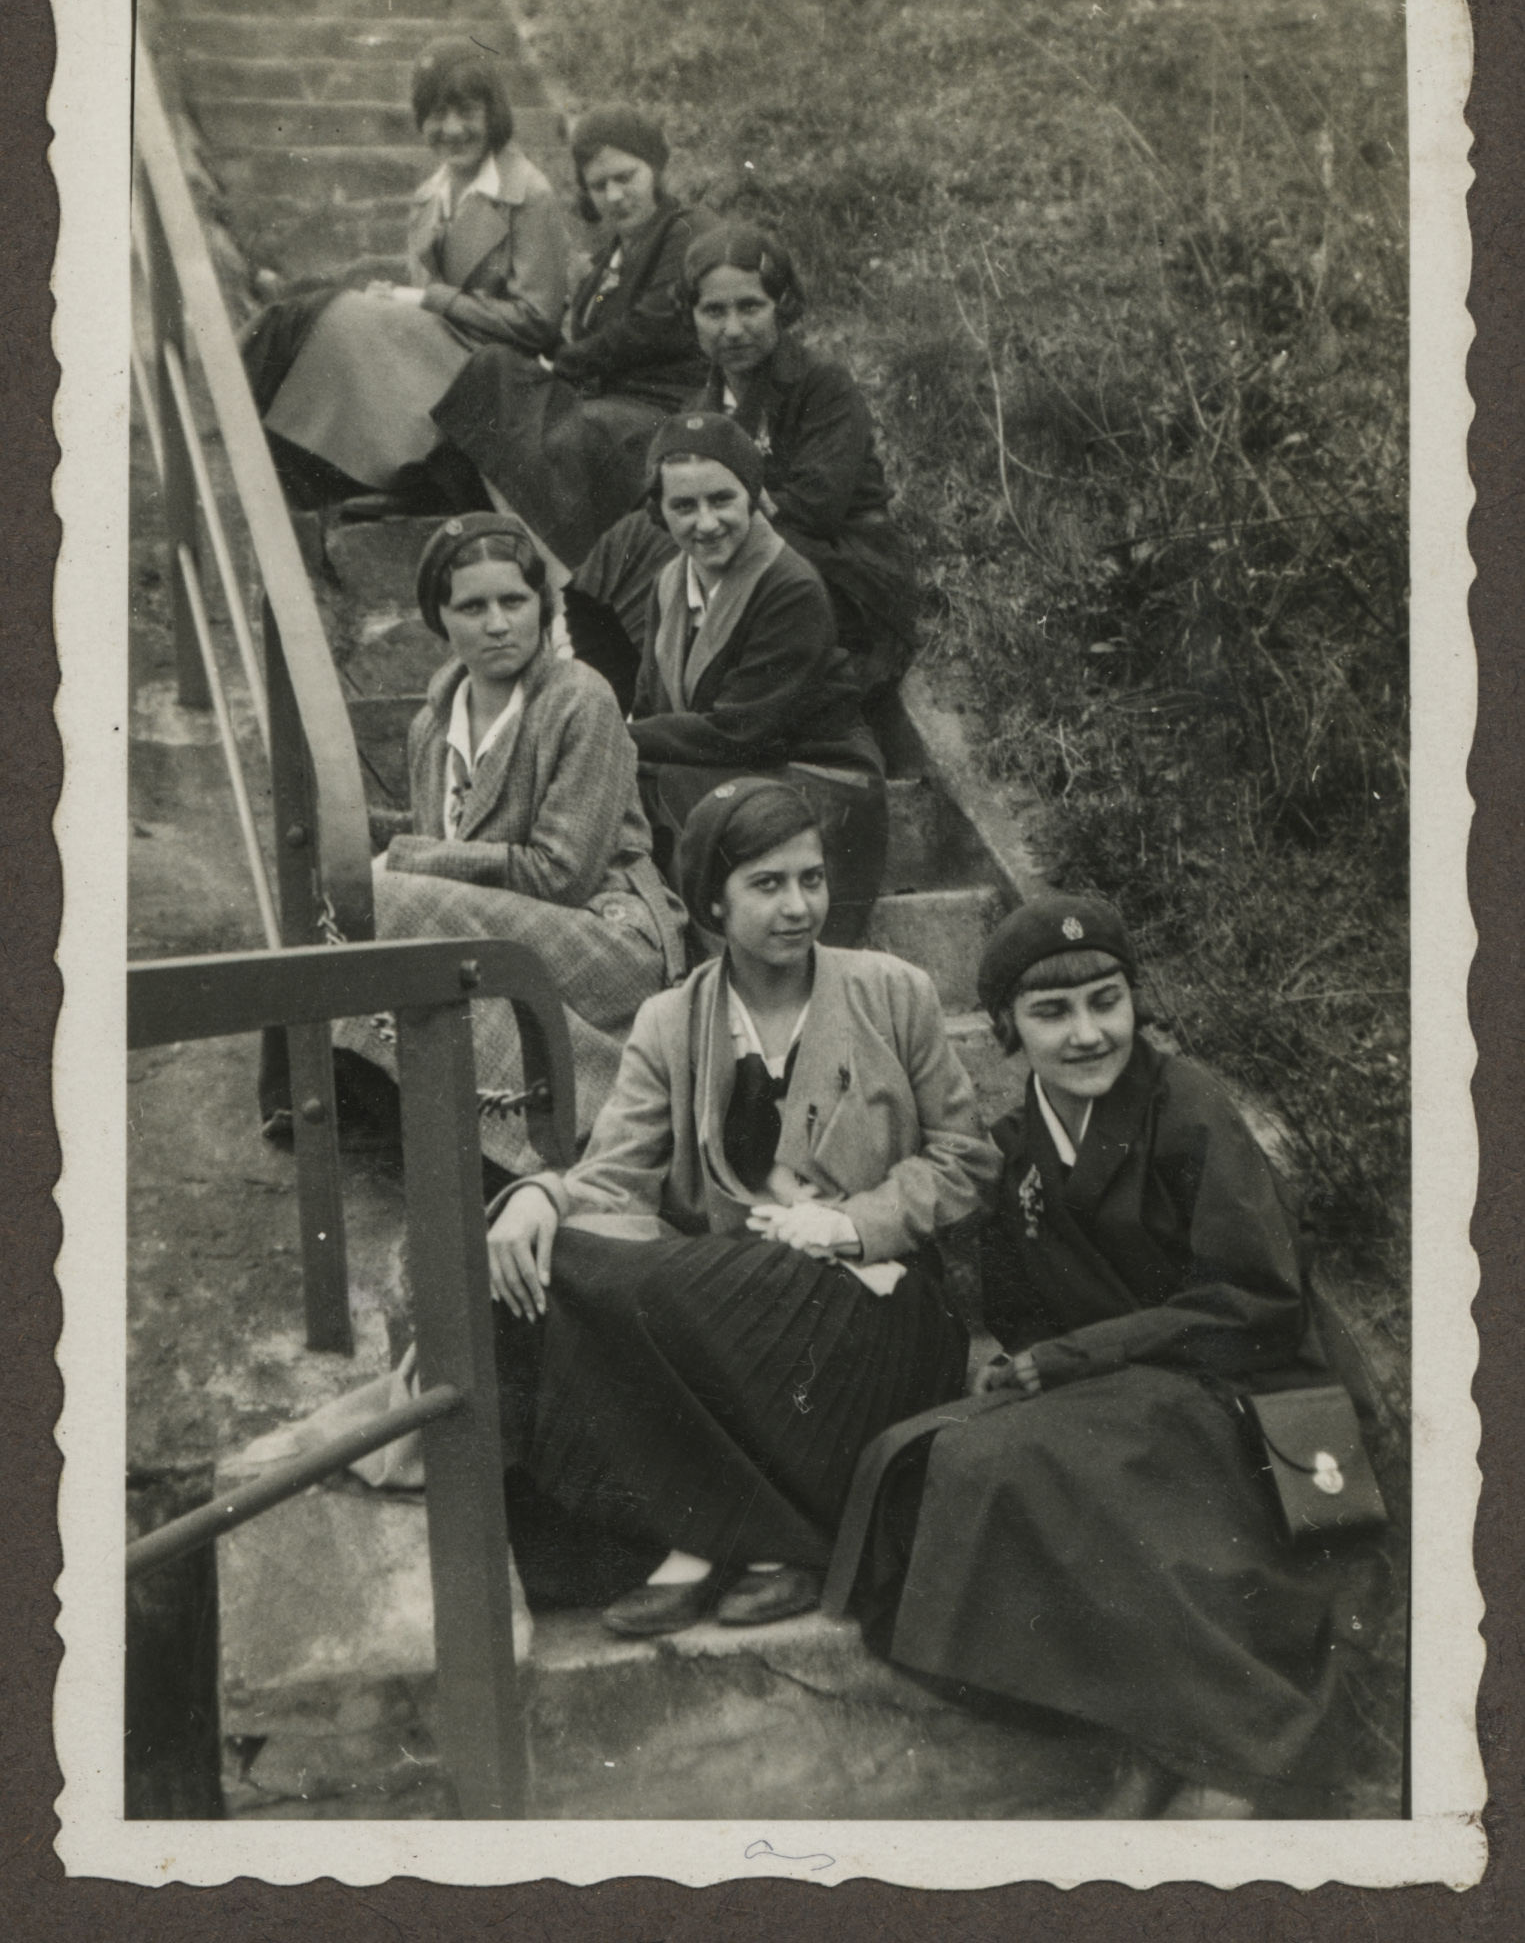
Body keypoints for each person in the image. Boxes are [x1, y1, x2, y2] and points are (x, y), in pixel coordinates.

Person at [823, 893, 1394, 1819]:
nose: (1087, 1034)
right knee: (926, 1459)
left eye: (1106, 1002)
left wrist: (1077, 1357)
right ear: (1006, 1028)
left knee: (1024, 1462)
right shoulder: (1019, 1147)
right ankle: (1148, 1724)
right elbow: (1016, 1309)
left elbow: (1256, 1300)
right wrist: (1051, 1366)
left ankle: (1237, 1750)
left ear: (1134, 1002)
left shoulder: (1189, 1109)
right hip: (1131, 1388)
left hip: (1246, 1388)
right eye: (1051, 1013)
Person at [486, 778, 1000, 1635]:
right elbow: (614, 1178)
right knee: (560, 1261)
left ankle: (708, 1543)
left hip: (873, 1304)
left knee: (692, 1291)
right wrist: (538, 1195)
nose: (798, 906)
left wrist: (855, 1223)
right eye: (767, 884)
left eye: (811, 879)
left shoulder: (892, 991)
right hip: (733, 1313)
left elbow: (966, 1158)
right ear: (711, 902)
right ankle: (746, 1542)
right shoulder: (670, 1021)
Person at [329, 513, 688, 1176]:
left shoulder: (581, 700)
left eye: (514, 601)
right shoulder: (430, 725)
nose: (497, 623)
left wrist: (402, 858)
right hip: (497, 929)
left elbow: (562, 874)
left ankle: (510, 1144)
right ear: (439, 618)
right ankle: (409, 1119)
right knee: (340, 891)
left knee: (380, 897)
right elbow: (448, 847)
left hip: (605, 934)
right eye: (472, 607)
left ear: (541, 607)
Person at [562, 222, 916, 710]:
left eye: (750, 307)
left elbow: (817, 506)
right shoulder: (698, 407)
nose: (732, 329)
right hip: (746, 553)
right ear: (691, 316)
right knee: (628, 540)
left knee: (670, 541)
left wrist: (714, 504)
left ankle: (692, 702)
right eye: (714, 311)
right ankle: (622, 703)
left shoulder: (821, 386)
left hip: (846, 572)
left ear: (781, 306)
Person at [241, 37, 569, 512]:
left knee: (325, 315)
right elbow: (425, 305)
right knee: (319, 319)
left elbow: (538, 322)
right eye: (436, 114)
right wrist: (400, 300)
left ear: (493, 113)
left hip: (498, 373)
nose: (451, 129)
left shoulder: (529, 194)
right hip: (433, 359)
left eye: (467, 112)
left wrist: (426, 300)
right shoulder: (428, 197)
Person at [627, 410, 889, 945]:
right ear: (660, 510)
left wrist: (611, 736)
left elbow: (742, 730)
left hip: (818, 782)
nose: (706, 523)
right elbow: (652, 707)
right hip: (730, 774)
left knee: (665, 778)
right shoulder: (669, 584)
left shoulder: (789, 585)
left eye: (721, 499)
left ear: (751, 495)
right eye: (684, 506)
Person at [432, 106, 718, 567]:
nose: (615, 195)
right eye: (599, 185)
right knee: (492, 368)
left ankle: (560, 565)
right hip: (605, 397)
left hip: (666, 405)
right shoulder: (610, 259)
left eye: (626, 177)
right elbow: (583, 341)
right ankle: (498, 522)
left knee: (575, 434)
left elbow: (652, 326)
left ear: (655, 168)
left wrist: (562, 362)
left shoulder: (686, 230)